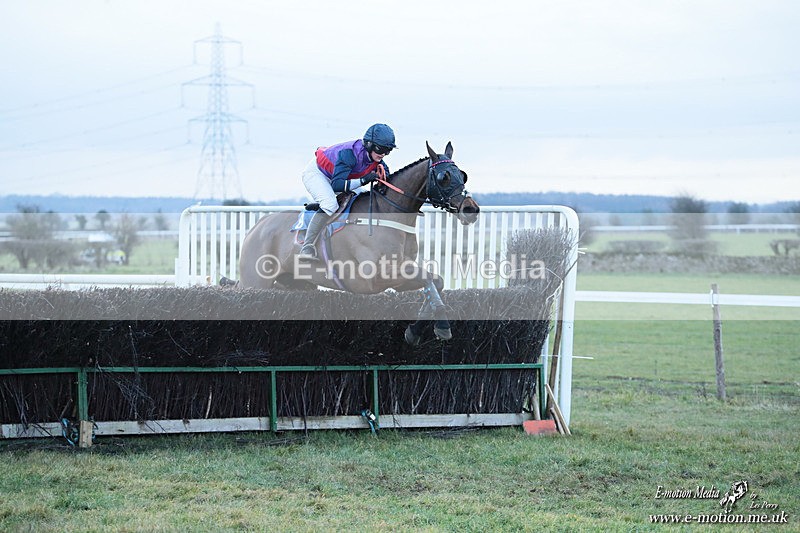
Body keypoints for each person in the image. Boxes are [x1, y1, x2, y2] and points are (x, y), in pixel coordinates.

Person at [298, 123, 396, 261]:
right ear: (368, 145)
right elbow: (337, 186)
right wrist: (363, 180)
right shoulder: (349, 154)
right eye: (381, 149)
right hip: (318, 174)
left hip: (338, 177)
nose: (384, 154)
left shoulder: (377, 159)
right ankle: (307, 247)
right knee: (330, 204)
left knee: (357, 200)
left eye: (388, 150)